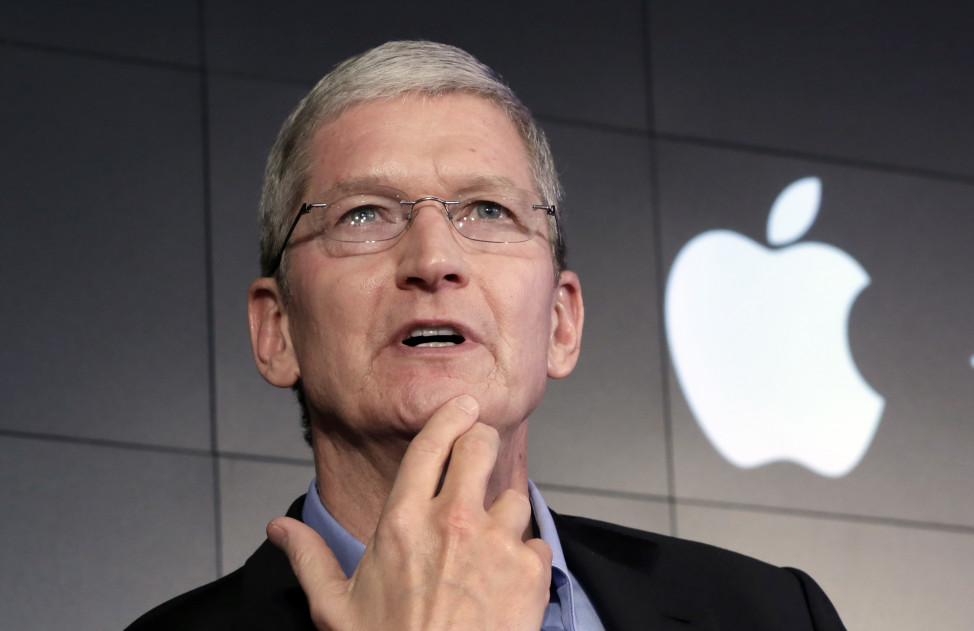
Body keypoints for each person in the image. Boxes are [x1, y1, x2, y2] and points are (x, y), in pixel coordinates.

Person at [126, 41, 846, 631]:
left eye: (489, 210)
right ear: (276, 330)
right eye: (365, 215)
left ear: (562, 322)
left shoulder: (774, 614)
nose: (435, 259)